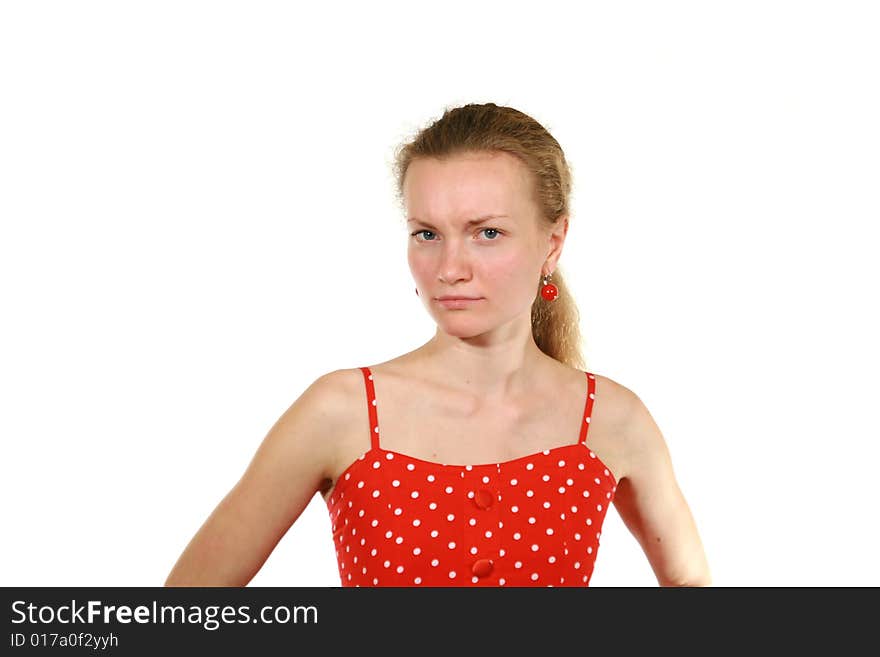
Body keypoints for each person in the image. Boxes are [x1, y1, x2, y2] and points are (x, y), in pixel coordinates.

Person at [164, 102, 711, 587]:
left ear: (554, 242)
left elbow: (689, 579)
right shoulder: (339, 410)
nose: (449, 269)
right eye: (427, 234)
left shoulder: (614, 420)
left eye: (487, 233)